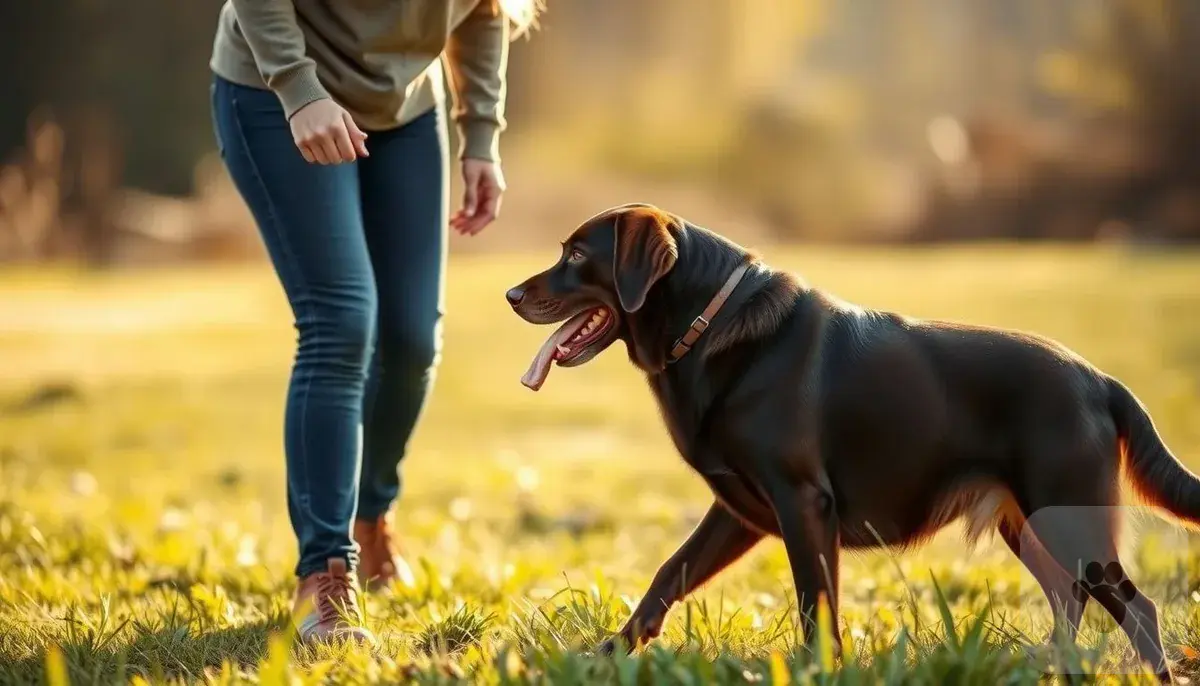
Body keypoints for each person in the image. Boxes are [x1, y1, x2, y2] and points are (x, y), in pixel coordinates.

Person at [208, 0, 537, 645]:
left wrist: (480, 137)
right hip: (278, 93)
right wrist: (300, 91)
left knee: (413, 337)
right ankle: (324, 574)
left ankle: (370, 512)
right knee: (341, 321)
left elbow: (485, 10)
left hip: (407, 109)